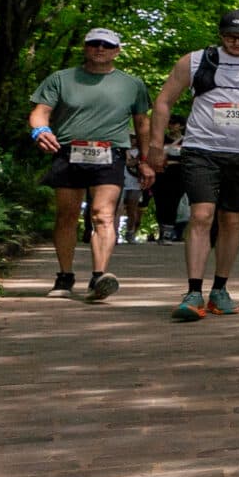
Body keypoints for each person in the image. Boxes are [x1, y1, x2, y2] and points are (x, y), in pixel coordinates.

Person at [148, 10, 239, 321]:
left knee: (232, 221)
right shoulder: (195, 61)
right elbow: (164, 101)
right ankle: (193, 291)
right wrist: (155, 144)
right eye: (230, 36)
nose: (236, 42)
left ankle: (220, 289)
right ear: (220, 34)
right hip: (202, 149)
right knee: (201, 214)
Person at [28, 28, 154, 303]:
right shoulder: (61, 79)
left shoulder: (132, 84)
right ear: (85, 48)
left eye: (107, 45)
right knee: (67, 215)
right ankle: (65, 276)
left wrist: (145, 161)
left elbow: (142, 124)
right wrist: (39, 131)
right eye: (94, 44)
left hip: (110, 154)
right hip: (68, 151)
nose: (100, 49)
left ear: (117, 51)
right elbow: (40, 112)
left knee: (103, 214)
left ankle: (100, 276)